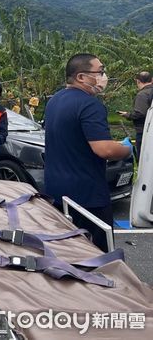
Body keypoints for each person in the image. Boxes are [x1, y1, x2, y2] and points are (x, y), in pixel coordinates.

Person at [44, 53, 132, 251]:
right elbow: (104, 149)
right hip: (87, 197)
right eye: (100, 71)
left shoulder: (55, 101)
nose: (103, 76)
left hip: (57, 192)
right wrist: (126, 149)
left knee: (68, 253)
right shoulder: (90, 104)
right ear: (81, 77)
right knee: (99, 256)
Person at [118, 71, 153, 158]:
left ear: (137, 81)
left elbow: (140, 114)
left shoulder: (142, 94)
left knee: (144, 158)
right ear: (152, 80)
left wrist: (127, 115)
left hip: (144, 132)